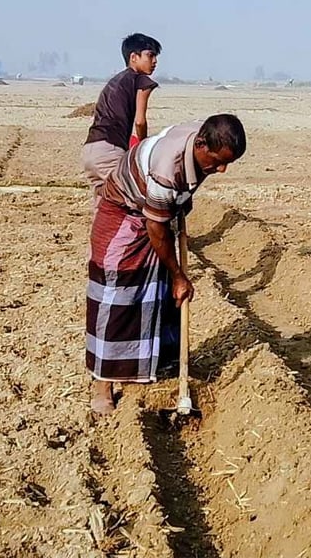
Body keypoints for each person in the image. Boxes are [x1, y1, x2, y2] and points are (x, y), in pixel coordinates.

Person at [86, 114, 248, 415]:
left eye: (228, 163)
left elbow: (175, 197)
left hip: (153, 211)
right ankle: (103, 383)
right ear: (201, 143)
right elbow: (156, 227)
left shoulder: (199, 142)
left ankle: (160, 364)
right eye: (217, 162)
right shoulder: (166, 169)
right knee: (119, 295)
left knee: (158, 295)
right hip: (124, 212)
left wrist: (182, 200)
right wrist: (179, 276)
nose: (222, 170)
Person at [82, 34, 162, 206]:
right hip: (110, 150)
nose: (155, 61)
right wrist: (143, 147)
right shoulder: (141, 81)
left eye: (156, 56)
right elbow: (140, 121)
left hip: (90, 150)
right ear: (134, 57)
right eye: (150, 55)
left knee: (104, 205)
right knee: (135, 200)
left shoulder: (115, 80)